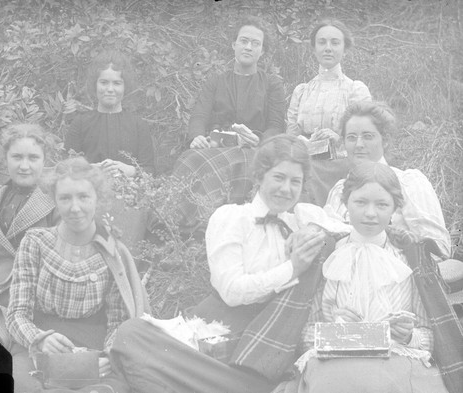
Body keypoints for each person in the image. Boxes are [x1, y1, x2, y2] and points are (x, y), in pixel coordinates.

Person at [109, 134, 350, 393]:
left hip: (265, 346)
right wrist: (292, 268)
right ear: (259, 177)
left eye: (295, 181)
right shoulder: (233, 218)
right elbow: (232, 291)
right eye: (278, 178)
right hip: (220, 327)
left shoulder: (303, 218)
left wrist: (314, 233)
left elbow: (346, 230)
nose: (286, 189)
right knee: (132, 334)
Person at [292, 162, 456, 393]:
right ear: (346, 203)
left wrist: (409, 336)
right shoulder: (328, 256)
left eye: (381, 204)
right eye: (360, 202)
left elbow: (430, 337)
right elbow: (304, 337)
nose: (370, 213)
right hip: (336, 367)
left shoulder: (410, 258)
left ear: (394, 209)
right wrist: (338, 330)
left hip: (396, 363)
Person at [6, 157, 149, 393]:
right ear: (54, 200)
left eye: (83, 197)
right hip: (39, 346)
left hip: (94, 348)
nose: (75, 208)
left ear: (97, 198)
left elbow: (118, 322)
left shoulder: (112, 251)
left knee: (112, 388)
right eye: (65, 198)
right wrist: (39, 339)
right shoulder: (36, 242)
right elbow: (16, 313)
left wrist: (107, 357)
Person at [172, 16, 286, 233]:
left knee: (242, 163)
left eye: (255, 43)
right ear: (234, 44)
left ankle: (221, 228)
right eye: (244, 41)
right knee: (189, 158)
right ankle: (183, 229)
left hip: (252, 149)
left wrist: (261, 140)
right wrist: (196, 136)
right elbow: (199, 115)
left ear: (262, 51)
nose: (248, 47)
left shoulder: (272, 83)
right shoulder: (216, 80)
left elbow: (276, 124)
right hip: (216, 146)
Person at [0, 123, 58, 337]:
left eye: (33, 158)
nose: (24, 166)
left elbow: (55, 269)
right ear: (5, 159)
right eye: (17, 157)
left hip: (30, 303)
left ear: (45, 160)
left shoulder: (55, 203)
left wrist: (6, 298)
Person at [324, 101, 451, 258]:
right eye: (351, 137)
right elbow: (325, 246)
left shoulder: (409, 183)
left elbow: (439, 249)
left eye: (367, 136)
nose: (358, 144)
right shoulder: (339, 191)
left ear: (385, 140)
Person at [65, 49, 154, 252]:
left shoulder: (138, 125)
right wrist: (90, 170)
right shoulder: (80, 123)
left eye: (117, 83)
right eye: (104, 82)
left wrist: (127, 169)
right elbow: (66, 168)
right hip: (89, 196)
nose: (110, 89)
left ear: (125, 86)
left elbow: (150, 170)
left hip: (128, 199)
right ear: (94, 85)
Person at [286, 18, 371, 207]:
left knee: (307, 172)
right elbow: (291, 133)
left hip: (339, 161)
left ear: (345, 49)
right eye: (322, 42)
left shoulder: (355, 90)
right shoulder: (302, 91)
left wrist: (338, 137)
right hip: (305, 158)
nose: (328, 48)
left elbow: (364, 137)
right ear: (314, 48)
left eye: (335, 42)